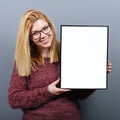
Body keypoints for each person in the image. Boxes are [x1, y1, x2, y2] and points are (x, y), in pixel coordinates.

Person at [8, 9, 112, 120]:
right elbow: (14, 99)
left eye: (45, 28)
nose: (43, 35)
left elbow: (81, 95)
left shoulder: (70, 52)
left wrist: (96, 74)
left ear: (50, 26)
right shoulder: (25, 60)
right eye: (35, 33)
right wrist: (48, 91)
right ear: (29, 37)